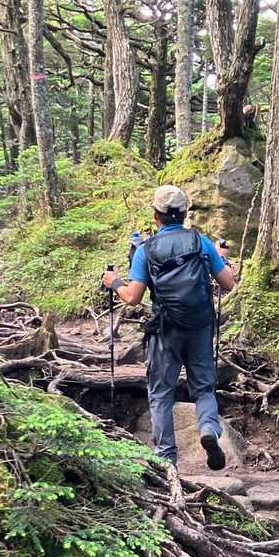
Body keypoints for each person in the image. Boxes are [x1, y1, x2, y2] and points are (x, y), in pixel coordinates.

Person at [102, 184, 236, 470]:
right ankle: (208, 429)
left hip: (165, 330)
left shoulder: (146, 250)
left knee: (161, 393)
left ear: (156, 216)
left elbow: (133, 298)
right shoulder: (201, 242)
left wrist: (114, 282)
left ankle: (166, 459)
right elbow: (228, 283)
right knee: (204, 388)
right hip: (200, 326)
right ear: (185, 214)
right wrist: (222, 259)